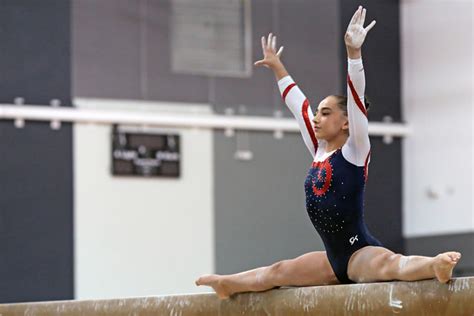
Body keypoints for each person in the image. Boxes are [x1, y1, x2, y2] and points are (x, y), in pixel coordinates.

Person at [195, 6, 461, 299]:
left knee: (390, 264)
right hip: (331, 259)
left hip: (359, 251)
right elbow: (298, 106)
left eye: (325, 113)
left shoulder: (356, 150)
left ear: (346, 121)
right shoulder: (318, 148)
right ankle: (227, 283)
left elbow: (356, 97)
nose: (316, 118)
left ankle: (435, 264)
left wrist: (353, 54)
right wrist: (277, 67)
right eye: (317, 113)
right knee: (278, 272)